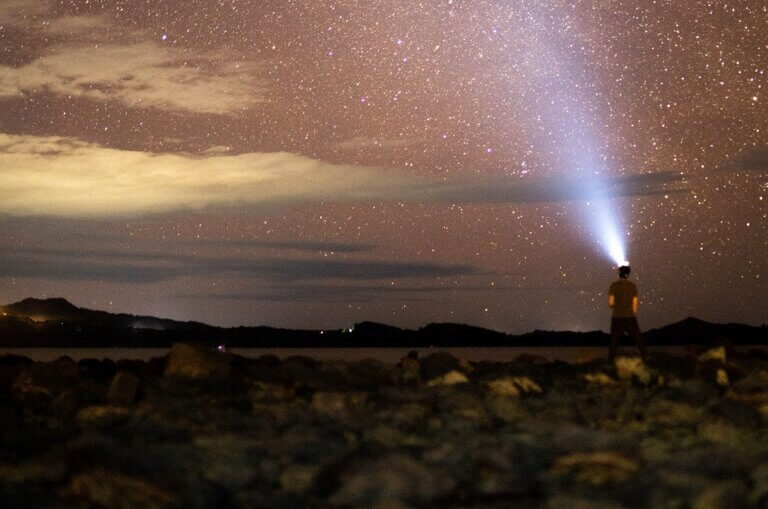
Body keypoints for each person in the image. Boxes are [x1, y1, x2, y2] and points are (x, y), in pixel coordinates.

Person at [608, 265, 647, 361]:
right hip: (630, 316)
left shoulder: (614, 285)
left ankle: (610, 361)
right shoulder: (632, 286)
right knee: (638, 339)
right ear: (628, 274)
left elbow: (610, 303)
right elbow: (635, 303)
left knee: (614, 341)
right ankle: (645, 358)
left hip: (617, 316)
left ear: (619, 273)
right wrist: (631, 312)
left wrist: (617, 306)